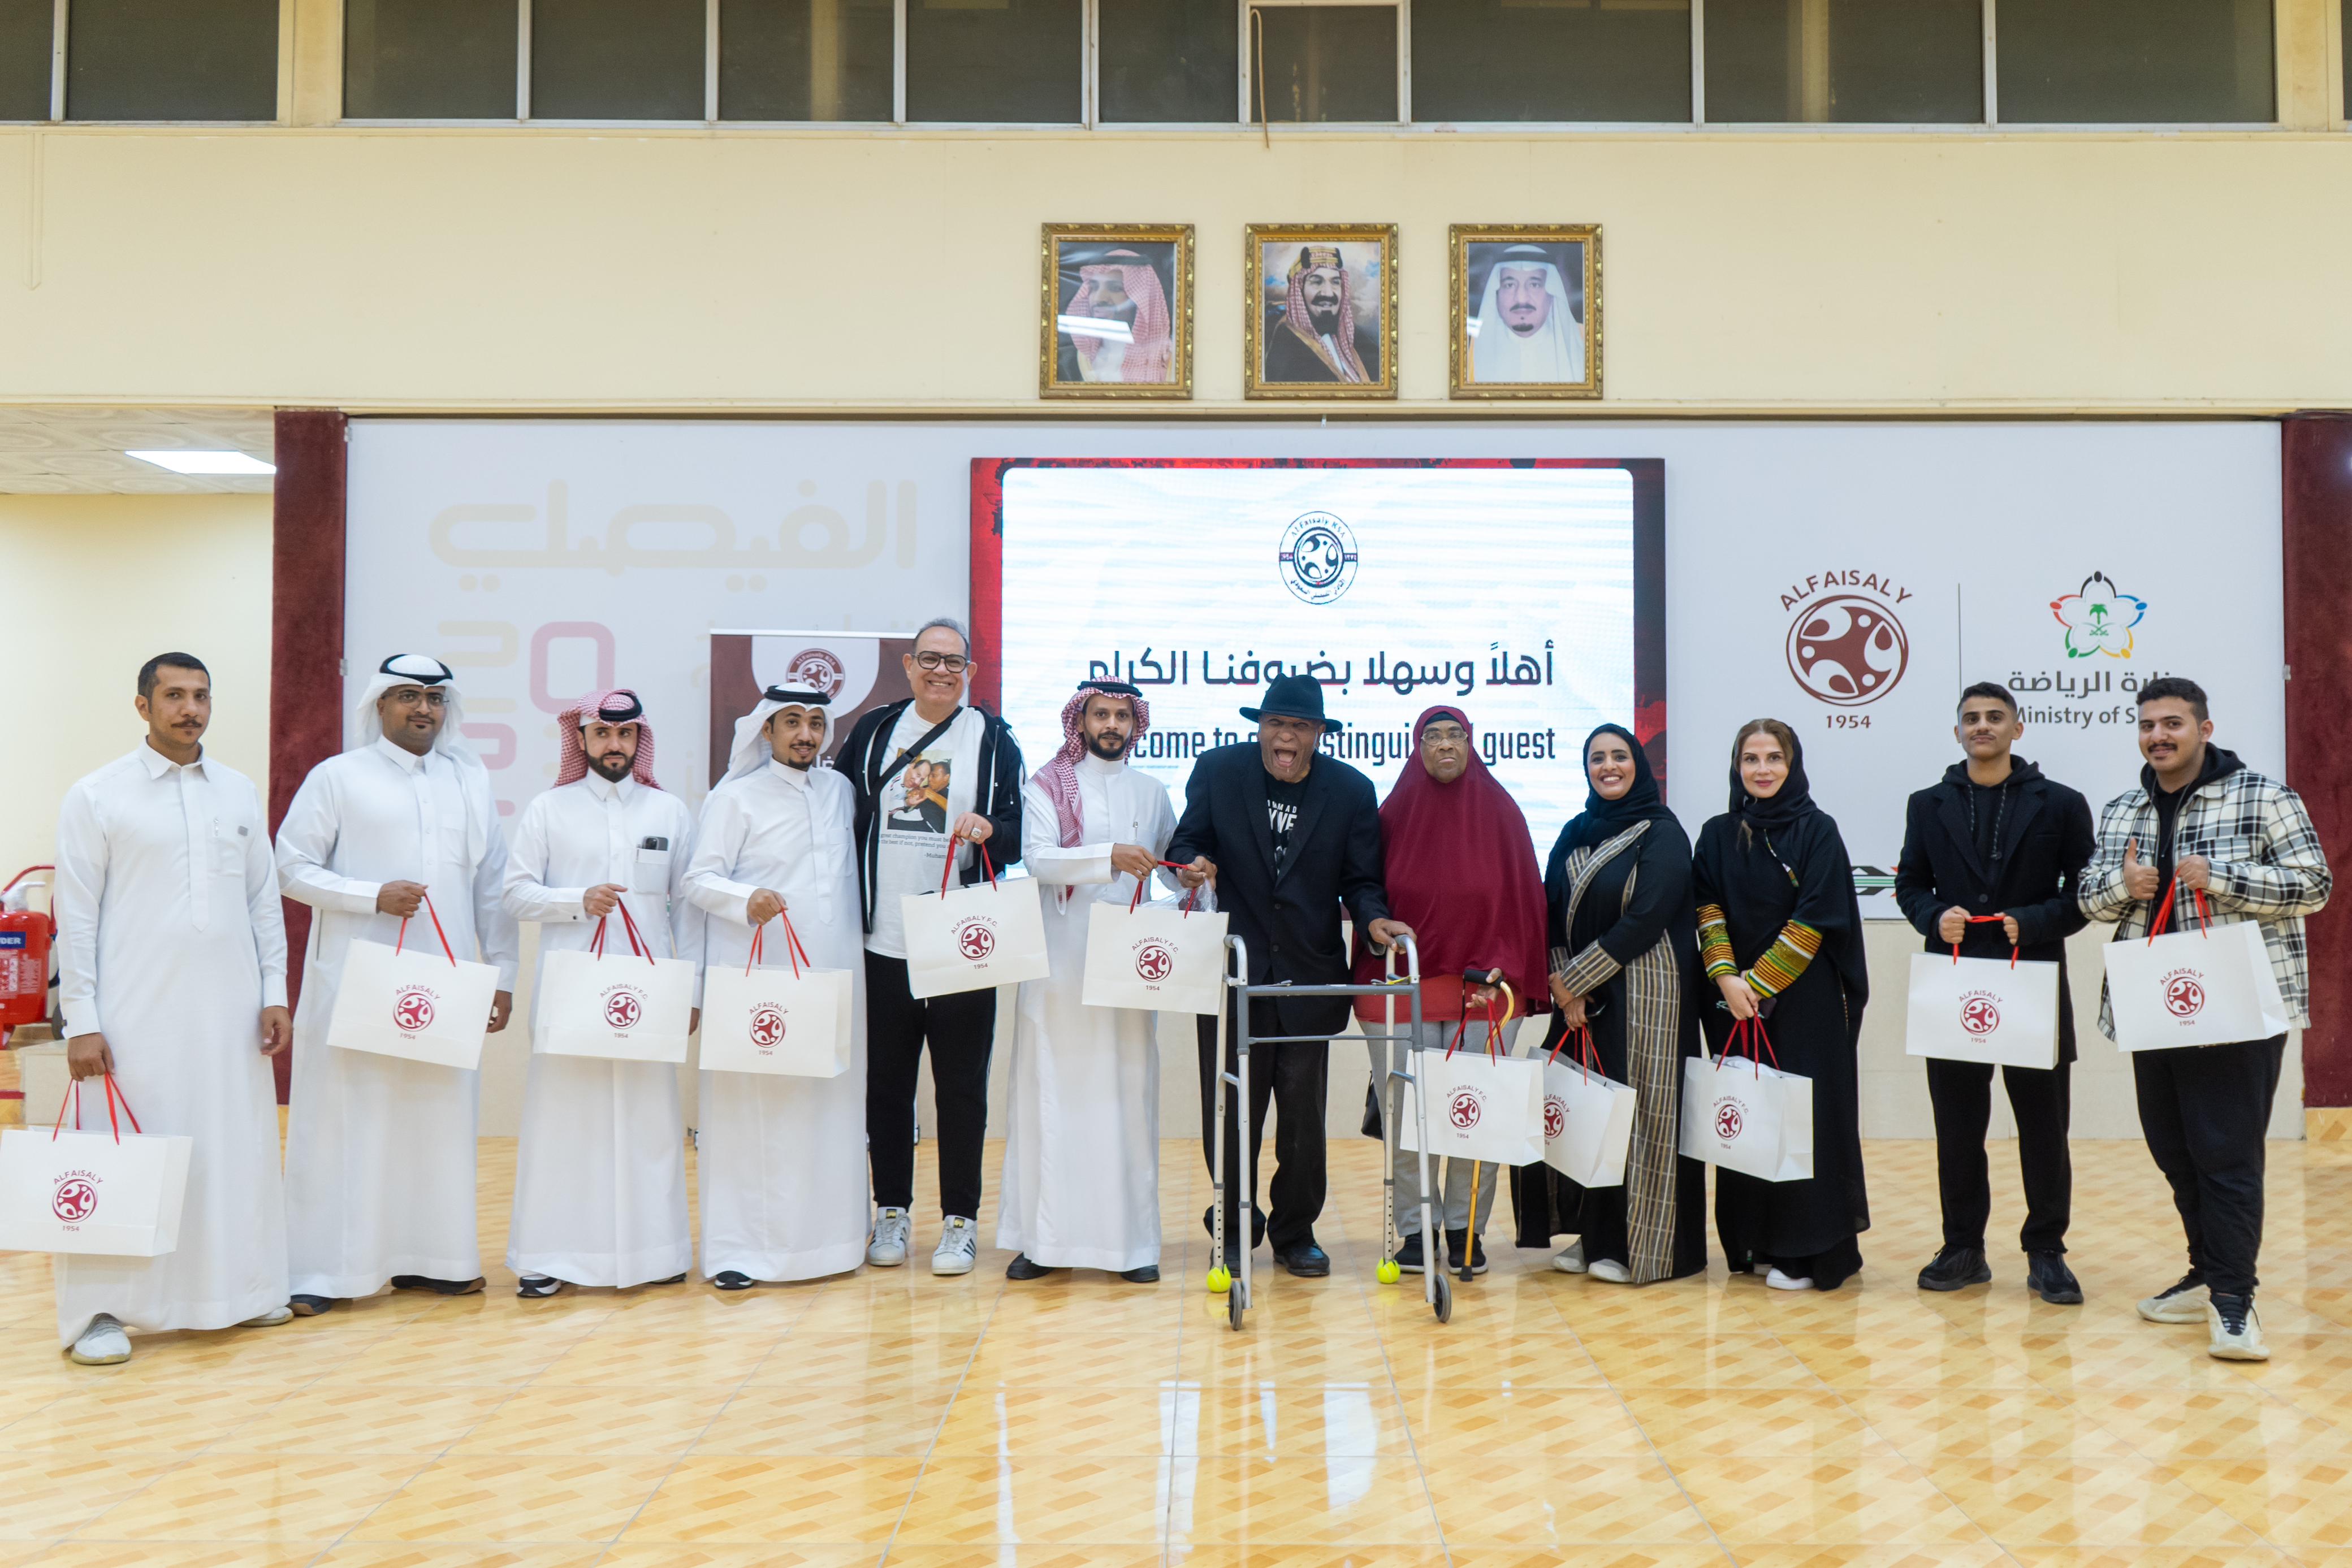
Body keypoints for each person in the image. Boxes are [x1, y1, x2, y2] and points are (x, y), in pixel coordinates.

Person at [49, 653, 293, 1366]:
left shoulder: (238, 790)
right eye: (175, 695)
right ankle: (99, 1312)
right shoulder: (97, 795)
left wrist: (274, 991)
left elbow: (263, 900)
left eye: (201, 696)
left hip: (229, 1016)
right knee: (123, 1153)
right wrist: (82, 1018)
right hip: (133, 1015)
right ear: (143, 705)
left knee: (229, 1148)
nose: (191, 709)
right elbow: (77, 914)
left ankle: (235, 1292)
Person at [2078, 675, 2330, 1361]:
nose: (2157, 736)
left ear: (2203, 728)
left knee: (2225, 1154)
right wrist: (2122, 884)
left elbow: (2313, 884)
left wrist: (2219, 875)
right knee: (2174, 1149)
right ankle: (2204, 1272)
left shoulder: (2262, 796)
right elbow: (2087, 898)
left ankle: (2233, 1299)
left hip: (2237, 1007)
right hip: (2151, 1005)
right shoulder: (2124, 808)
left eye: (2172, 723)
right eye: (2146, 725)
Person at [275, 653, 519, 1313]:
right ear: (380, 704)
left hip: (446, 979)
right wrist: (370, 895)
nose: (423, 709)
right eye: (409, 696)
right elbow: (289, 867)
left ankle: (434, 1260)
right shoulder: (339, 776)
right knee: (346, 1119)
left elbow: (491, 885)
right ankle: (323, 1270)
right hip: (356, 976)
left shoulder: (468, 779)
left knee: (437, 1114)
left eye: (435, 699)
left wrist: (503, 971)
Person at [1171, 673, 1409, 1277]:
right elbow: (1188, 841)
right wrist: (1193, 866)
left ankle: (1295, 1231)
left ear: (1318, 734)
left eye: (1299, 726)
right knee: (1231, 1110)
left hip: (1308, 976)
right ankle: (1233, 1226)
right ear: (1260, 728)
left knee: (1302, 1119)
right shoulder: (1218, 770)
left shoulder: (1350, 790)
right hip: (1233, 974)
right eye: (1275, 723)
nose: (1285, 736)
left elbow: (1361, 880)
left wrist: (1374, 919)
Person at [1894, 681, 2096, 1306]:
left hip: (2032, 977)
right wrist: (1933, 917)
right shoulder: (1926, 804)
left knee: (2043, 1128)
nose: (1981, 726)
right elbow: (1909, 884)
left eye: (1993, 716)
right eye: (1970, 718)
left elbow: (2084, 893)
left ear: (2016, 728)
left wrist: (2034, 921)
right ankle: (1962, 1246)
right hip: (1953, 982)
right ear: (1957, 731)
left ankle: (2046, 1250)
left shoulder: (2061, 803)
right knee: (1957, 1127)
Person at [836, 616, 1024, 1277]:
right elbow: (836, 814)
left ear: (969, 672)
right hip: (882, 941)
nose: (941, 671)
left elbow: (1016, 834)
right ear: (909, 666)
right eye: (929, 659)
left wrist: (988, 827)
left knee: (961, 1088)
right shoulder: (873, 731)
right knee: (887, 1086)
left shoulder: (992, 740)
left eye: (953, 662)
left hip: (959, 943)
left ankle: (959, 1221)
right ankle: (890, 1210)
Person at [501, 688, 698, 1299]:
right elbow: (514, 893)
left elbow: (689, 908)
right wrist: (575, 900)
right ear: (581, 738)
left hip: (650, 990)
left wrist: (692, 987)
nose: (615, 745)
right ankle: (548, 1256)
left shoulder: (669, 812)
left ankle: (655, 1253)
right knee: (564, 1122)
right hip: (570, 989)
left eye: (625, 734)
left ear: (639, 740)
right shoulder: (548, 809)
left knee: (649, 1121)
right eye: (602, 734)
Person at [684, 686, 872, 1287]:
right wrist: (746, 898)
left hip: (834, 976)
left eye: (815, 723)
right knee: (756, 1114)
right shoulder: (734, 797)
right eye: (792, 722)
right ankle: (741, 1251)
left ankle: (834, 1243)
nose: (805, 735)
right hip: (760, 978)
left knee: (829, 1106)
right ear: (766, 730)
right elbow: (697, 880)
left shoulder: (839, 790)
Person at [1349, 706, 1547, 1277]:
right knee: (1407, 1113)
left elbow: (1526, 901)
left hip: (1484, 994)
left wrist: (1510, 969)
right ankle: (1414, 1230)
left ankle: (1465, 1229)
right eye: (1431, 736)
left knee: (1472, 1111)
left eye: (1454, 735)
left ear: (1470, 743)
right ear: (1417, 747)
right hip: (1400, 986)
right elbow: (1362, 889)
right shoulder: (1390, 815)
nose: (1443, 745)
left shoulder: (1502, 812)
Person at [998, 680, 1180, 1283]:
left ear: (1135, 725)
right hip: (1061, 966)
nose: (1112, 725)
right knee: (1051, 1095)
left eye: (1122, 716)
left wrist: (1192, 875)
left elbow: (1169, 868)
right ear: (1081, 721)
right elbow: (1038, 859)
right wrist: (1108, 857)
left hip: (1127, 969)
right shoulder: (1048, 785)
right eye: (1101, 714)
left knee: (1126, 1095)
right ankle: (1042, 1241)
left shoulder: (1151, 791)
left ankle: (1130, 1245)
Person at [1515, 722, 1709, 1287]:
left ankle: (1650, 1247)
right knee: (1589, 1115)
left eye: (1619, 755)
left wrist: (1574, 981)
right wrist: (1566, 989)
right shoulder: (1575, 832)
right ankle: (1597, 1236)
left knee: (1643, 1117)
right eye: (1596, 758)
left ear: (1637, 765)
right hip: (1583, 1001)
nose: (1608, 766)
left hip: (1648, 993)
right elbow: (1551, 909)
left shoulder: (1662, 833)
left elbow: (1647, 917)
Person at [1692, 719, 1870, 1292]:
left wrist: (1759, 983)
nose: (1762, 769)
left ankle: (1808, 1251)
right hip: (1733, 1002)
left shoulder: (1818, 829)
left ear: (1792, 766)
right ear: (1736, 767)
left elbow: (1815, 917)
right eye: (1751, 758)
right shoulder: (1717, 833)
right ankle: (1757, 1241)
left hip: (1804, 1003)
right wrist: (1726, 979)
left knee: (1803, 1119)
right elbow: (1707, 910)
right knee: (1747, 1113)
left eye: (1774, 757)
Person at [1261, 245, 1380, 385]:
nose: (1328, 293)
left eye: (1336, 283)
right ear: (1299, 290)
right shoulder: (1286, 344)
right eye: (1317, 282)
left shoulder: (1357, 338)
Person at [1470, 244, 1584, 384]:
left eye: (1534, 285)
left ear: (1552, 292)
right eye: (1509, 285)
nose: (1521, 298)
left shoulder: (1583, 337)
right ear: (1496, 294)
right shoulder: (1473, 343)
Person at [1061, 250, 1173, 384]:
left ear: (1142, 299)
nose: (1099, 299)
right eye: (1094, 288)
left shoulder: (1169, 358)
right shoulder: (1069, 360)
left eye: (1115, 289)